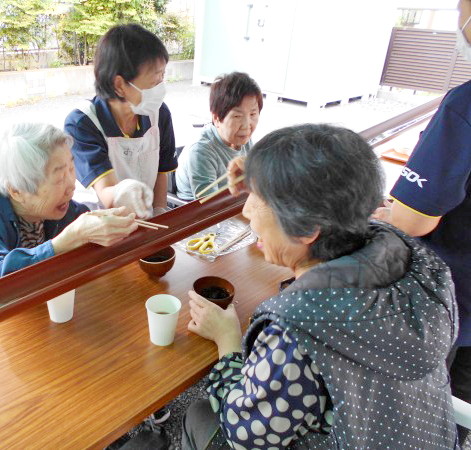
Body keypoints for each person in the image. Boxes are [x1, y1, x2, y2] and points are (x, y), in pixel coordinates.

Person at [182, 124, 459, 449]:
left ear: (308, 229)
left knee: (199, 415)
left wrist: (228, 342)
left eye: (258, 199)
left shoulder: (300, 334)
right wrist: (264, 172)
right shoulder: (415, 264)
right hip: (425, 436)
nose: (246, 211)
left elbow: (245, 434)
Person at [373, 1, 471, 443]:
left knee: (431, 415)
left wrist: (390, 213)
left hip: (456, 303)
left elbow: (411, 219)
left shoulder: (464, 106)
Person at [0, 123, 138, 299]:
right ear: (16, 191)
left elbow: (83, 224)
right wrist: (62, 243)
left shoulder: (57, 205)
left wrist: (115, 221)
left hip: (34, 303)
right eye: (60, 177)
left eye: (72, 168)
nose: (72, 184)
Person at [64, 24, 177, 218]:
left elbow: (161, 171)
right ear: (120, 85)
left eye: (163, 76)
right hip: (101, 228)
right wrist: (122, 191)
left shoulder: (159, 113)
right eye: (154, 81)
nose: (161, 88)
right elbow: (107, 193)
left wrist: (159, 211)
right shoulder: (83, 123)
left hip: (147, 222)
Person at [175, 72, 262, 201]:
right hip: (199, 212)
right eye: (237, 116)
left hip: (234, 207)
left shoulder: (245, 140)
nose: (246, 125)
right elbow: (209, 205)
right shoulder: (201, 151)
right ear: (216, 118)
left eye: (253, 114)